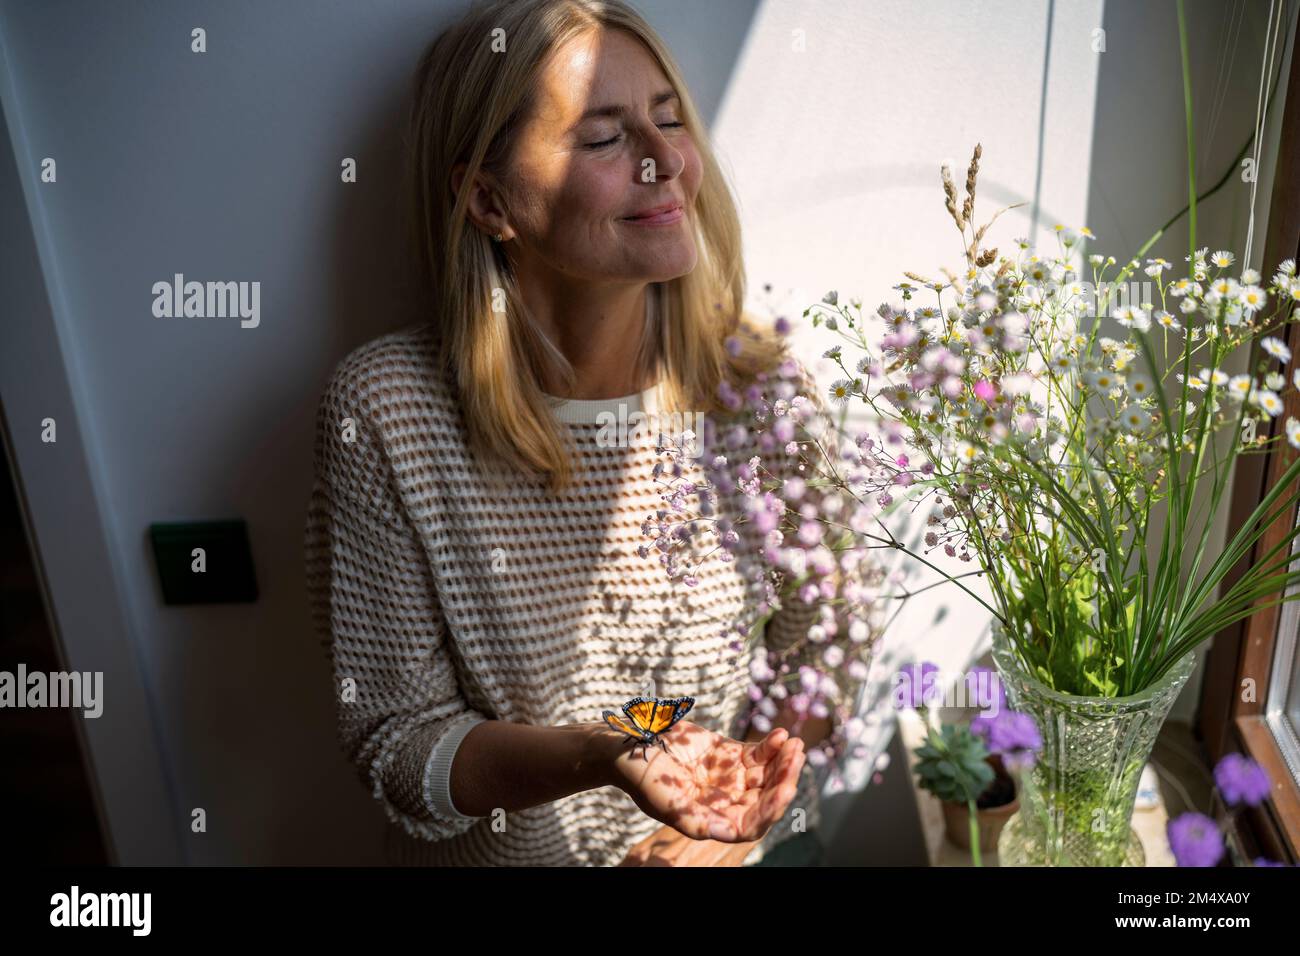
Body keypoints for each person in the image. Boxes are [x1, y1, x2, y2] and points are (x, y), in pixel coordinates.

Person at [303, 0, 838, 867]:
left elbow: (825, 645)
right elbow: (396, 742)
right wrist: (605, 757)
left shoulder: (759, 396)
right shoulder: (387, 415)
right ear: (488, 198)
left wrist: (737, 833)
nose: (666, 160)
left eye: (670, 121)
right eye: (603, 139)